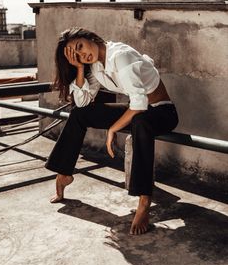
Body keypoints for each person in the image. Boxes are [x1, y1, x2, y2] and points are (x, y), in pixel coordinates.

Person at [45, 27, 179, 235]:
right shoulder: (96, 65)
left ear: (90, 37)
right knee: (79, 114)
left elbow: (140, 104)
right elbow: (83, 103)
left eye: (80, 46)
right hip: (138, 111)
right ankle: (64, 173)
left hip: (162, 112)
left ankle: (144, 200)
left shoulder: (121, 56)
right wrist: (80, 69)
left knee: (141, 123)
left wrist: (112, 129)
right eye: (76, 55)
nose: (82, 54)